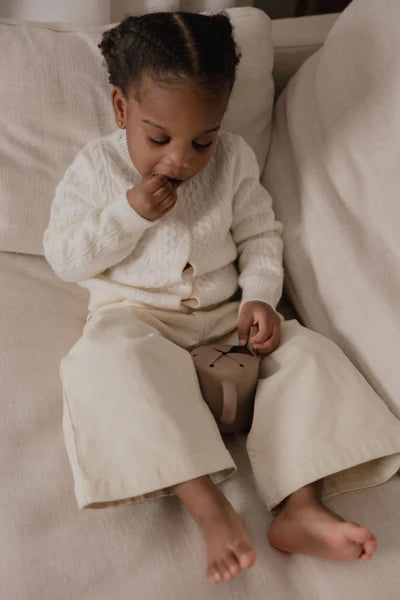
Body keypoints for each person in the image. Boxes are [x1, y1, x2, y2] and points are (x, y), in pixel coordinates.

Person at [42, 11, 400, 585]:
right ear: (121, 108)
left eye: (202, 140)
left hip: (223, 325)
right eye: (159, 138)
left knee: (309, 357)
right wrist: (128, 213)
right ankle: (207, 504)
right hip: (137, 319)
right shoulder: (95, 168)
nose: (181, 159)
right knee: (102, 362)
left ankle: (301, 505)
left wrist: (259, 297)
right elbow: (65, 257)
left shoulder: (233, 161)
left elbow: (260, 237)